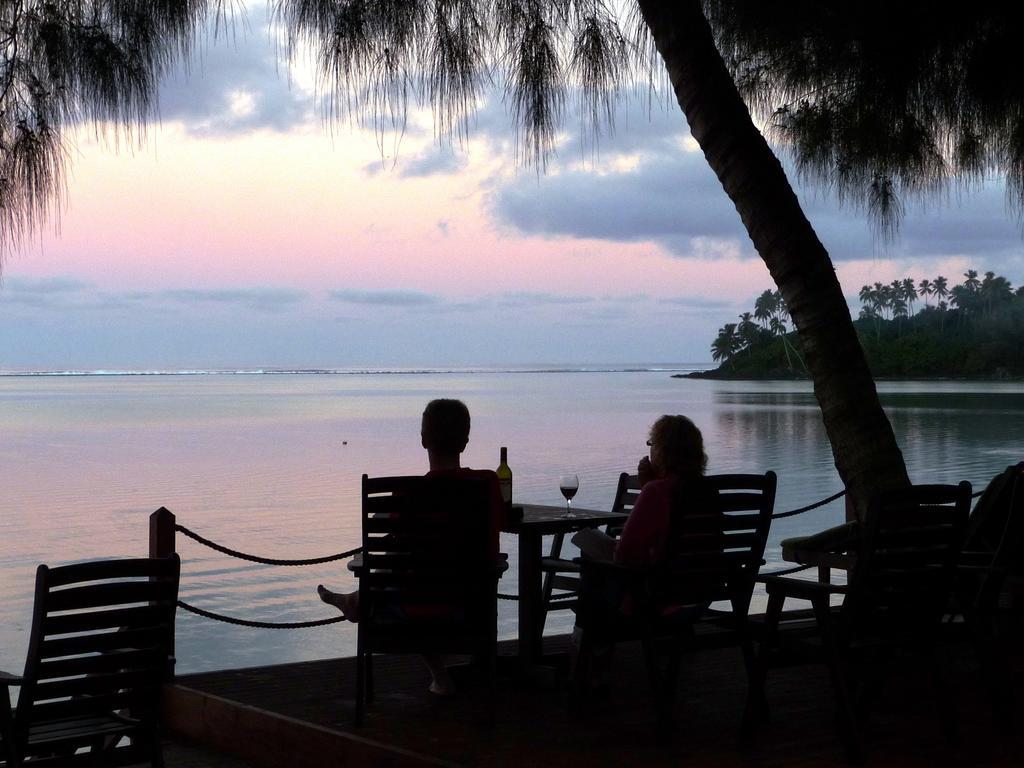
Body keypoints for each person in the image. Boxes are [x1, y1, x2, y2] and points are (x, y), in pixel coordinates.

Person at [317, 398, 504, 696]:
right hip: (470, 605)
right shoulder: (488, 484)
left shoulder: (406, 495)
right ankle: (357, 600)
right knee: (421, 573)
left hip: (415, 607)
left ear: (423, 439)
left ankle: (357, 601)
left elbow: (391, 546)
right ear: (465, 441)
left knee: (400, 572)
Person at [573, 413, 710, 572]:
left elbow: (624, 555)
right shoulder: (708, 490)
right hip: (701, 586)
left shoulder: (656, 492)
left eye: (652, 444)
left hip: (654, 589)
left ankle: (595, 597)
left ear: (661, 451)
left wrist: (649, 486)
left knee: (588, 538)